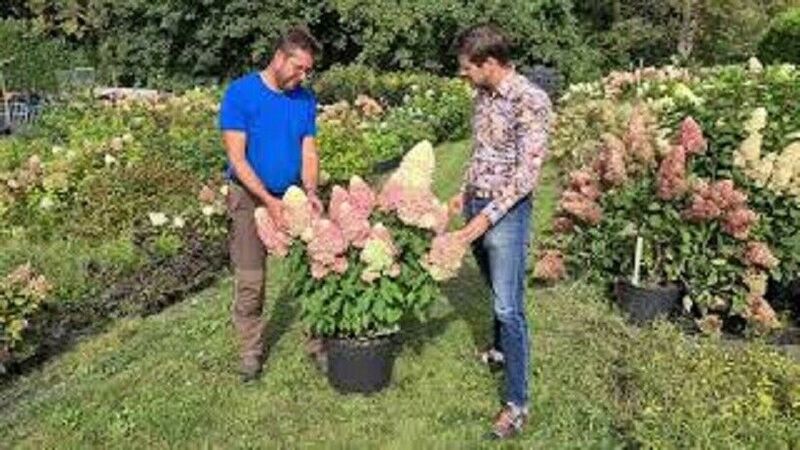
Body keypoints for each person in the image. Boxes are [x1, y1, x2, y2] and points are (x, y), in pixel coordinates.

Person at [449, 24, 552, 439]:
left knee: (509, 307)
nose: (463, 77)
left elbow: (526, 176)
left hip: (504, 212)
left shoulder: (531, 100)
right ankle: (497, 350)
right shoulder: (482, 94)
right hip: (477, 200)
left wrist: (483, 218)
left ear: (489, 63)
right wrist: (462, 193)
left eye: (466, 69)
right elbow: (481, 149)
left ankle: (517, 404)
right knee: (493, 284)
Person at [219, 27, 323, 382]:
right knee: (251, 279)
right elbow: (237, 157)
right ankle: (250, 353)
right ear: (280, 57)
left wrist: (310, 190)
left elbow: (309, 150)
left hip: (293, 194)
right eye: (299, 67)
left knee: (315, 268)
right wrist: (267, 200)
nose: (303, 76)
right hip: (249, 197)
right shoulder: (241, 94)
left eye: (308, 70)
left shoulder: (305, 99)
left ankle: (317, 343)